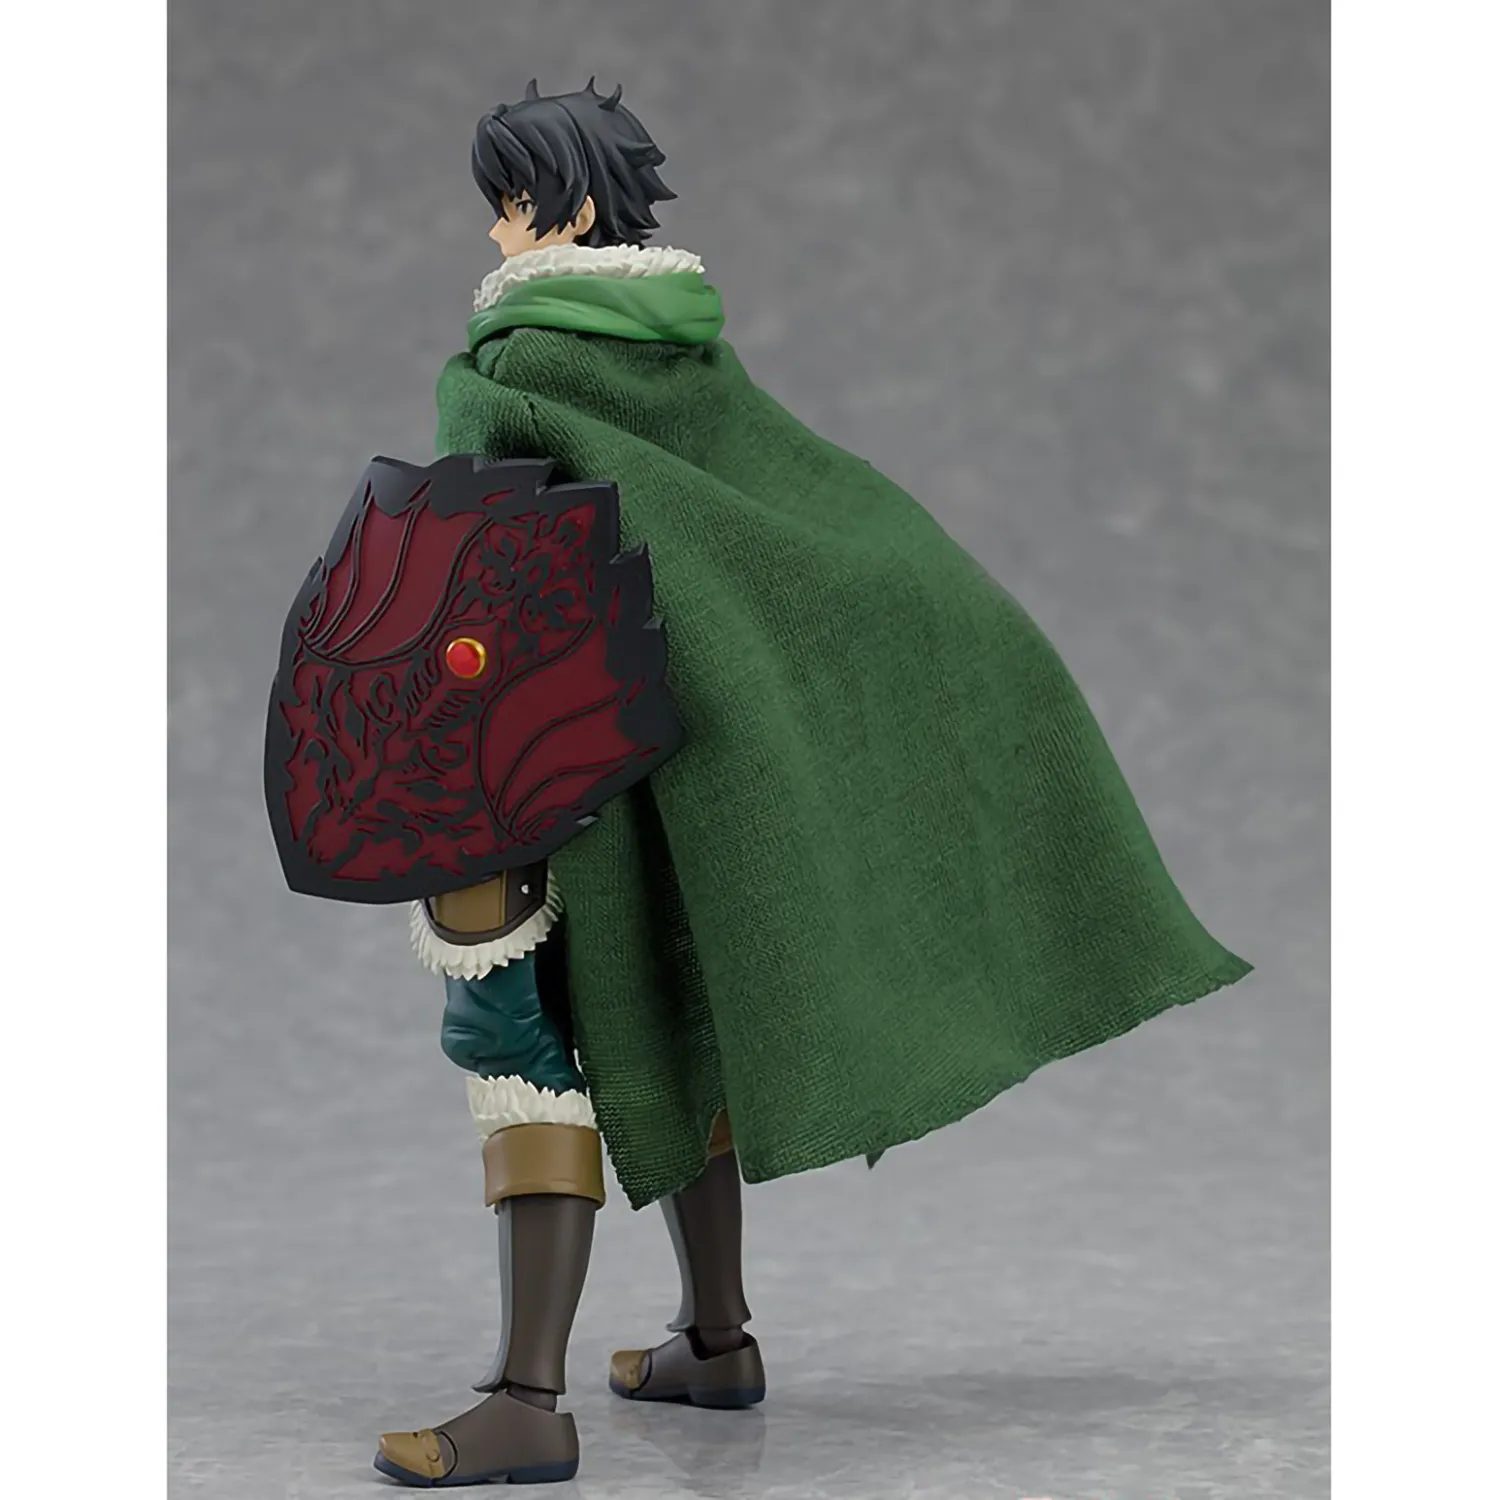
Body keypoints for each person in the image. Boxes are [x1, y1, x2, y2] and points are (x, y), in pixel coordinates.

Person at [278, 79, 1250, 1488]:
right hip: (695, 776)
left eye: (511, 200)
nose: (494, 230)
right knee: (688, 1021)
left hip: (549, 787)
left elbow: (476, 595)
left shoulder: (507, 373)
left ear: (566, 208)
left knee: (521, 1049)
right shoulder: (695, 362)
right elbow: (789, 534)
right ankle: (715, 1339)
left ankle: (527, 1401)